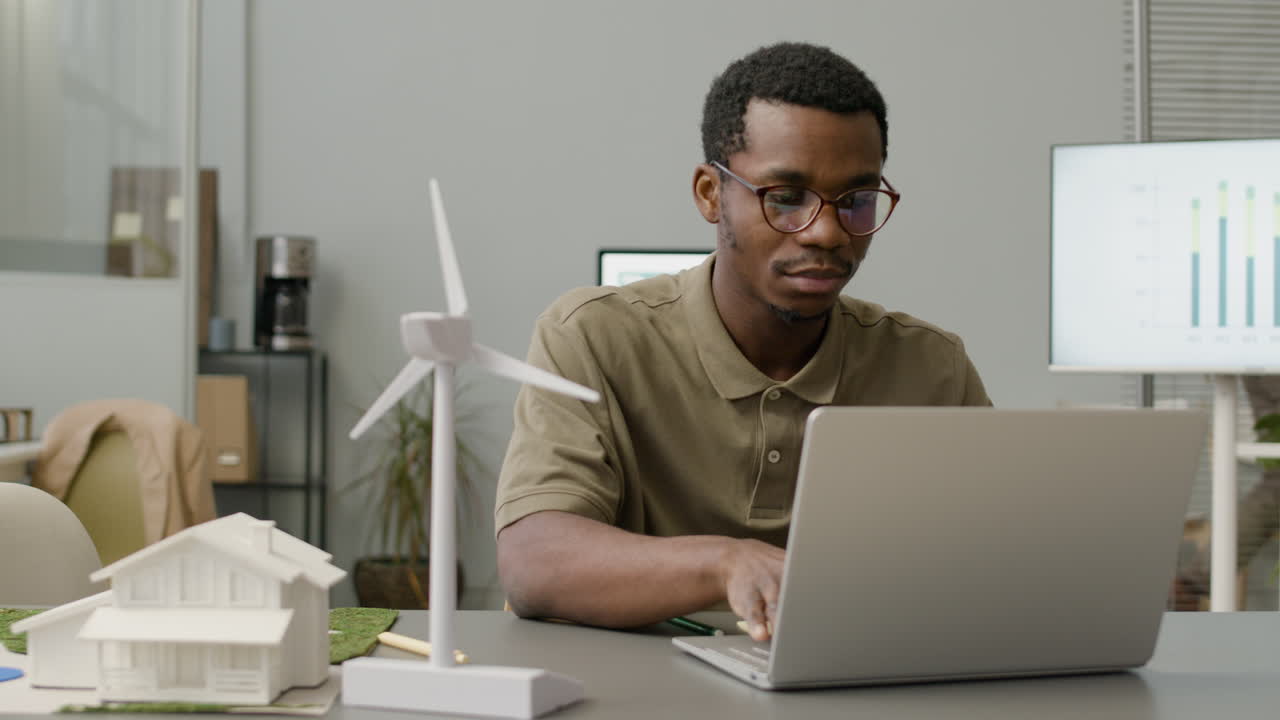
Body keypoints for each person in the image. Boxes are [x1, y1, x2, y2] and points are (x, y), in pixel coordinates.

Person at [495, 42, 991, 641]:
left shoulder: (932, 368)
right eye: (785, 198)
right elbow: (534, 563)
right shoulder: (591, 337)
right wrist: (728, 561)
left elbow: (997, 566)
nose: (829, 233)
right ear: (711, 194)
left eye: (857, 201)